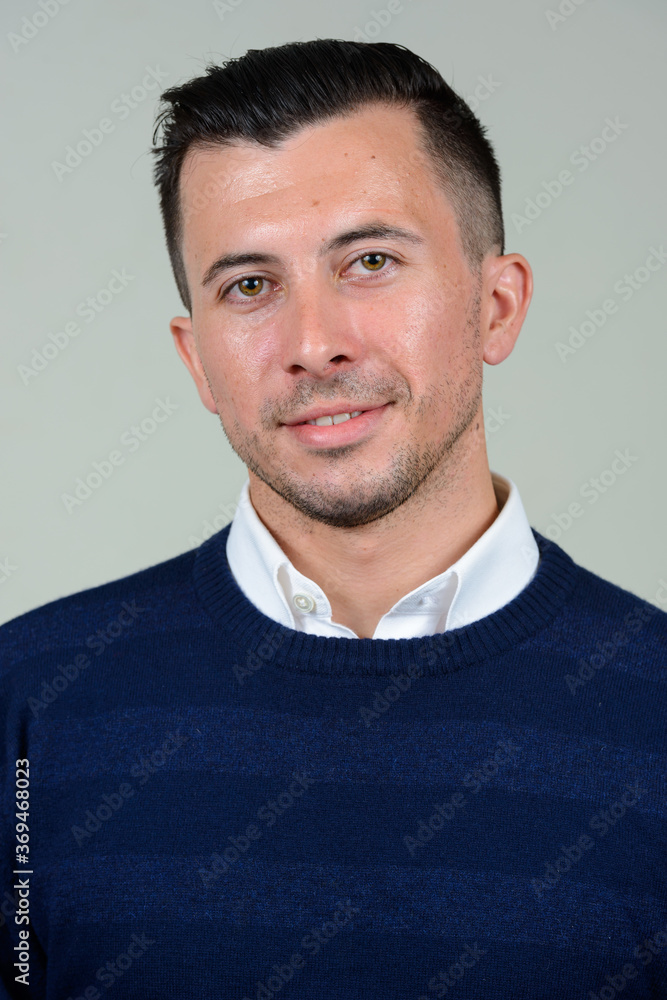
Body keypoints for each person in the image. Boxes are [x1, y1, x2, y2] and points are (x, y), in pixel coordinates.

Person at [1, 38, 665, 999]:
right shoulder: (31, 711)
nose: (313, 344)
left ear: (496, 303)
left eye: (369, 260)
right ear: (197, 361)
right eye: (250, 286)